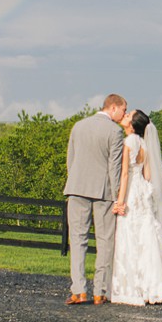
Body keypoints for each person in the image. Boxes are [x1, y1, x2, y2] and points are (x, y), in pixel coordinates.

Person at [63, 93, 127, 305]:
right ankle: (100, 291)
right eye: (123, 110)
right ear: (113, 107)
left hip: (77, 188)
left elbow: (70, 161)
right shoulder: (115, 131)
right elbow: (114, 168)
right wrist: (119, 197)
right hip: (103, 193)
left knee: (77, 241)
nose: (124, 114)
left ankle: (79, 290)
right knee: (105, 242)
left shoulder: (78, 126)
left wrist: (74, 184)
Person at [110, 109, 162, 306]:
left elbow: (124, 175)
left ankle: (133, 288)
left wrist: (120, 202)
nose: (125, 115)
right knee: (147, 239)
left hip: (131, 192)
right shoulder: (144, 144)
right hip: (142, 191)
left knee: (130, 238)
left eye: (129, 114)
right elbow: (148, 175)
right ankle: (154, 287)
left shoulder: (129, 142)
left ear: (132, 124)